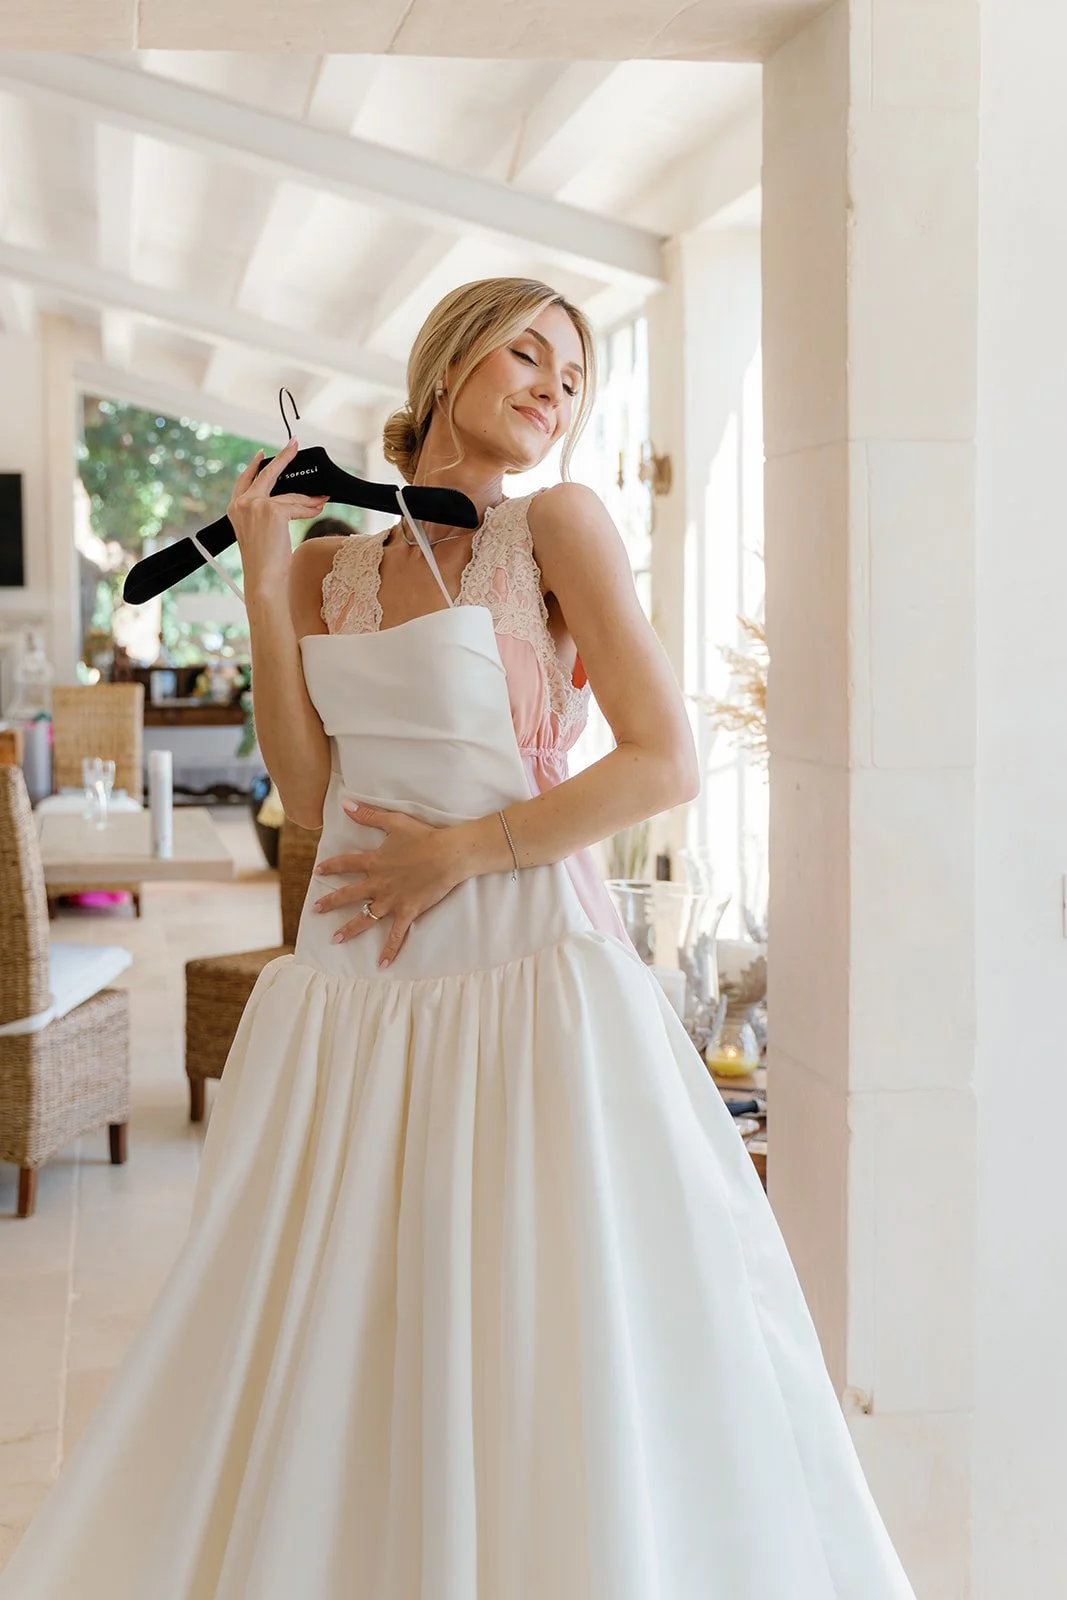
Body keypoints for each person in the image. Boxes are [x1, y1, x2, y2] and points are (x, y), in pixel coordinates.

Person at [0, 278, 916, 1599]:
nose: (553, 387)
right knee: (341, 1312)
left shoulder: (556, 526)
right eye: (526, 354)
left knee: (529, 1305)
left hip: (520, 963)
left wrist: (467, 850)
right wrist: (259, 579)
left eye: (573, 375)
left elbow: (664, 761)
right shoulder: (322, 568)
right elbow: (306, 791)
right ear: (447, 364)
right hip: (353, 980)